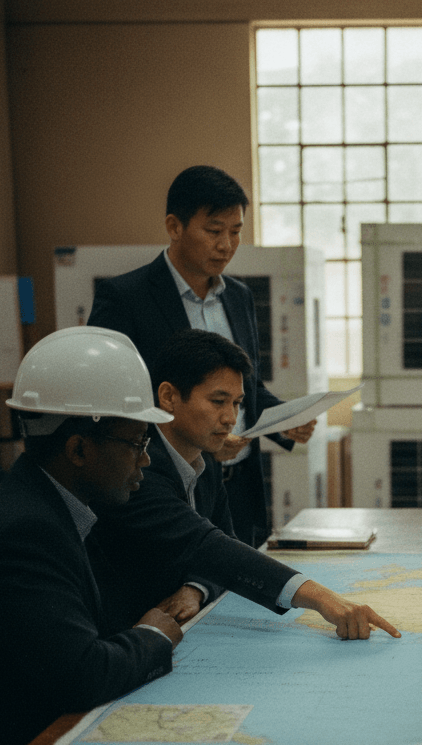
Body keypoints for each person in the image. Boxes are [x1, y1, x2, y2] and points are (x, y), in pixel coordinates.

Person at [90, 329, 401, 643]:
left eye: (237, 403)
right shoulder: (138, 469)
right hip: (121, 638)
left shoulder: (205, 460)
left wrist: (196, 588)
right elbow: (206, 545)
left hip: (183, 627)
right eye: (218, 401)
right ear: (169, 397)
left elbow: (225, 540)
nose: (230, 418)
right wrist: (322, 599)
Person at [0, 328, 182, 745]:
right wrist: (154, 637)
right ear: (78, 449)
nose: (147, 460)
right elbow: (85, 675)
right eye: (137, 442)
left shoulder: (45, 503)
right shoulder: (26, 531)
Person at [87, 164, 314, 547]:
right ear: (175, 227)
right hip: (162, 486)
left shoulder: (238, 297)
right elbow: (111, 400)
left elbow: (246, 384)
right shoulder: (126, 298)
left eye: (236, 231)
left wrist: (283, 420)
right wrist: (198, 438)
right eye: (213, 231)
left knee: (240, 587)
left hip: (237, 487)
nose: (226, 244)